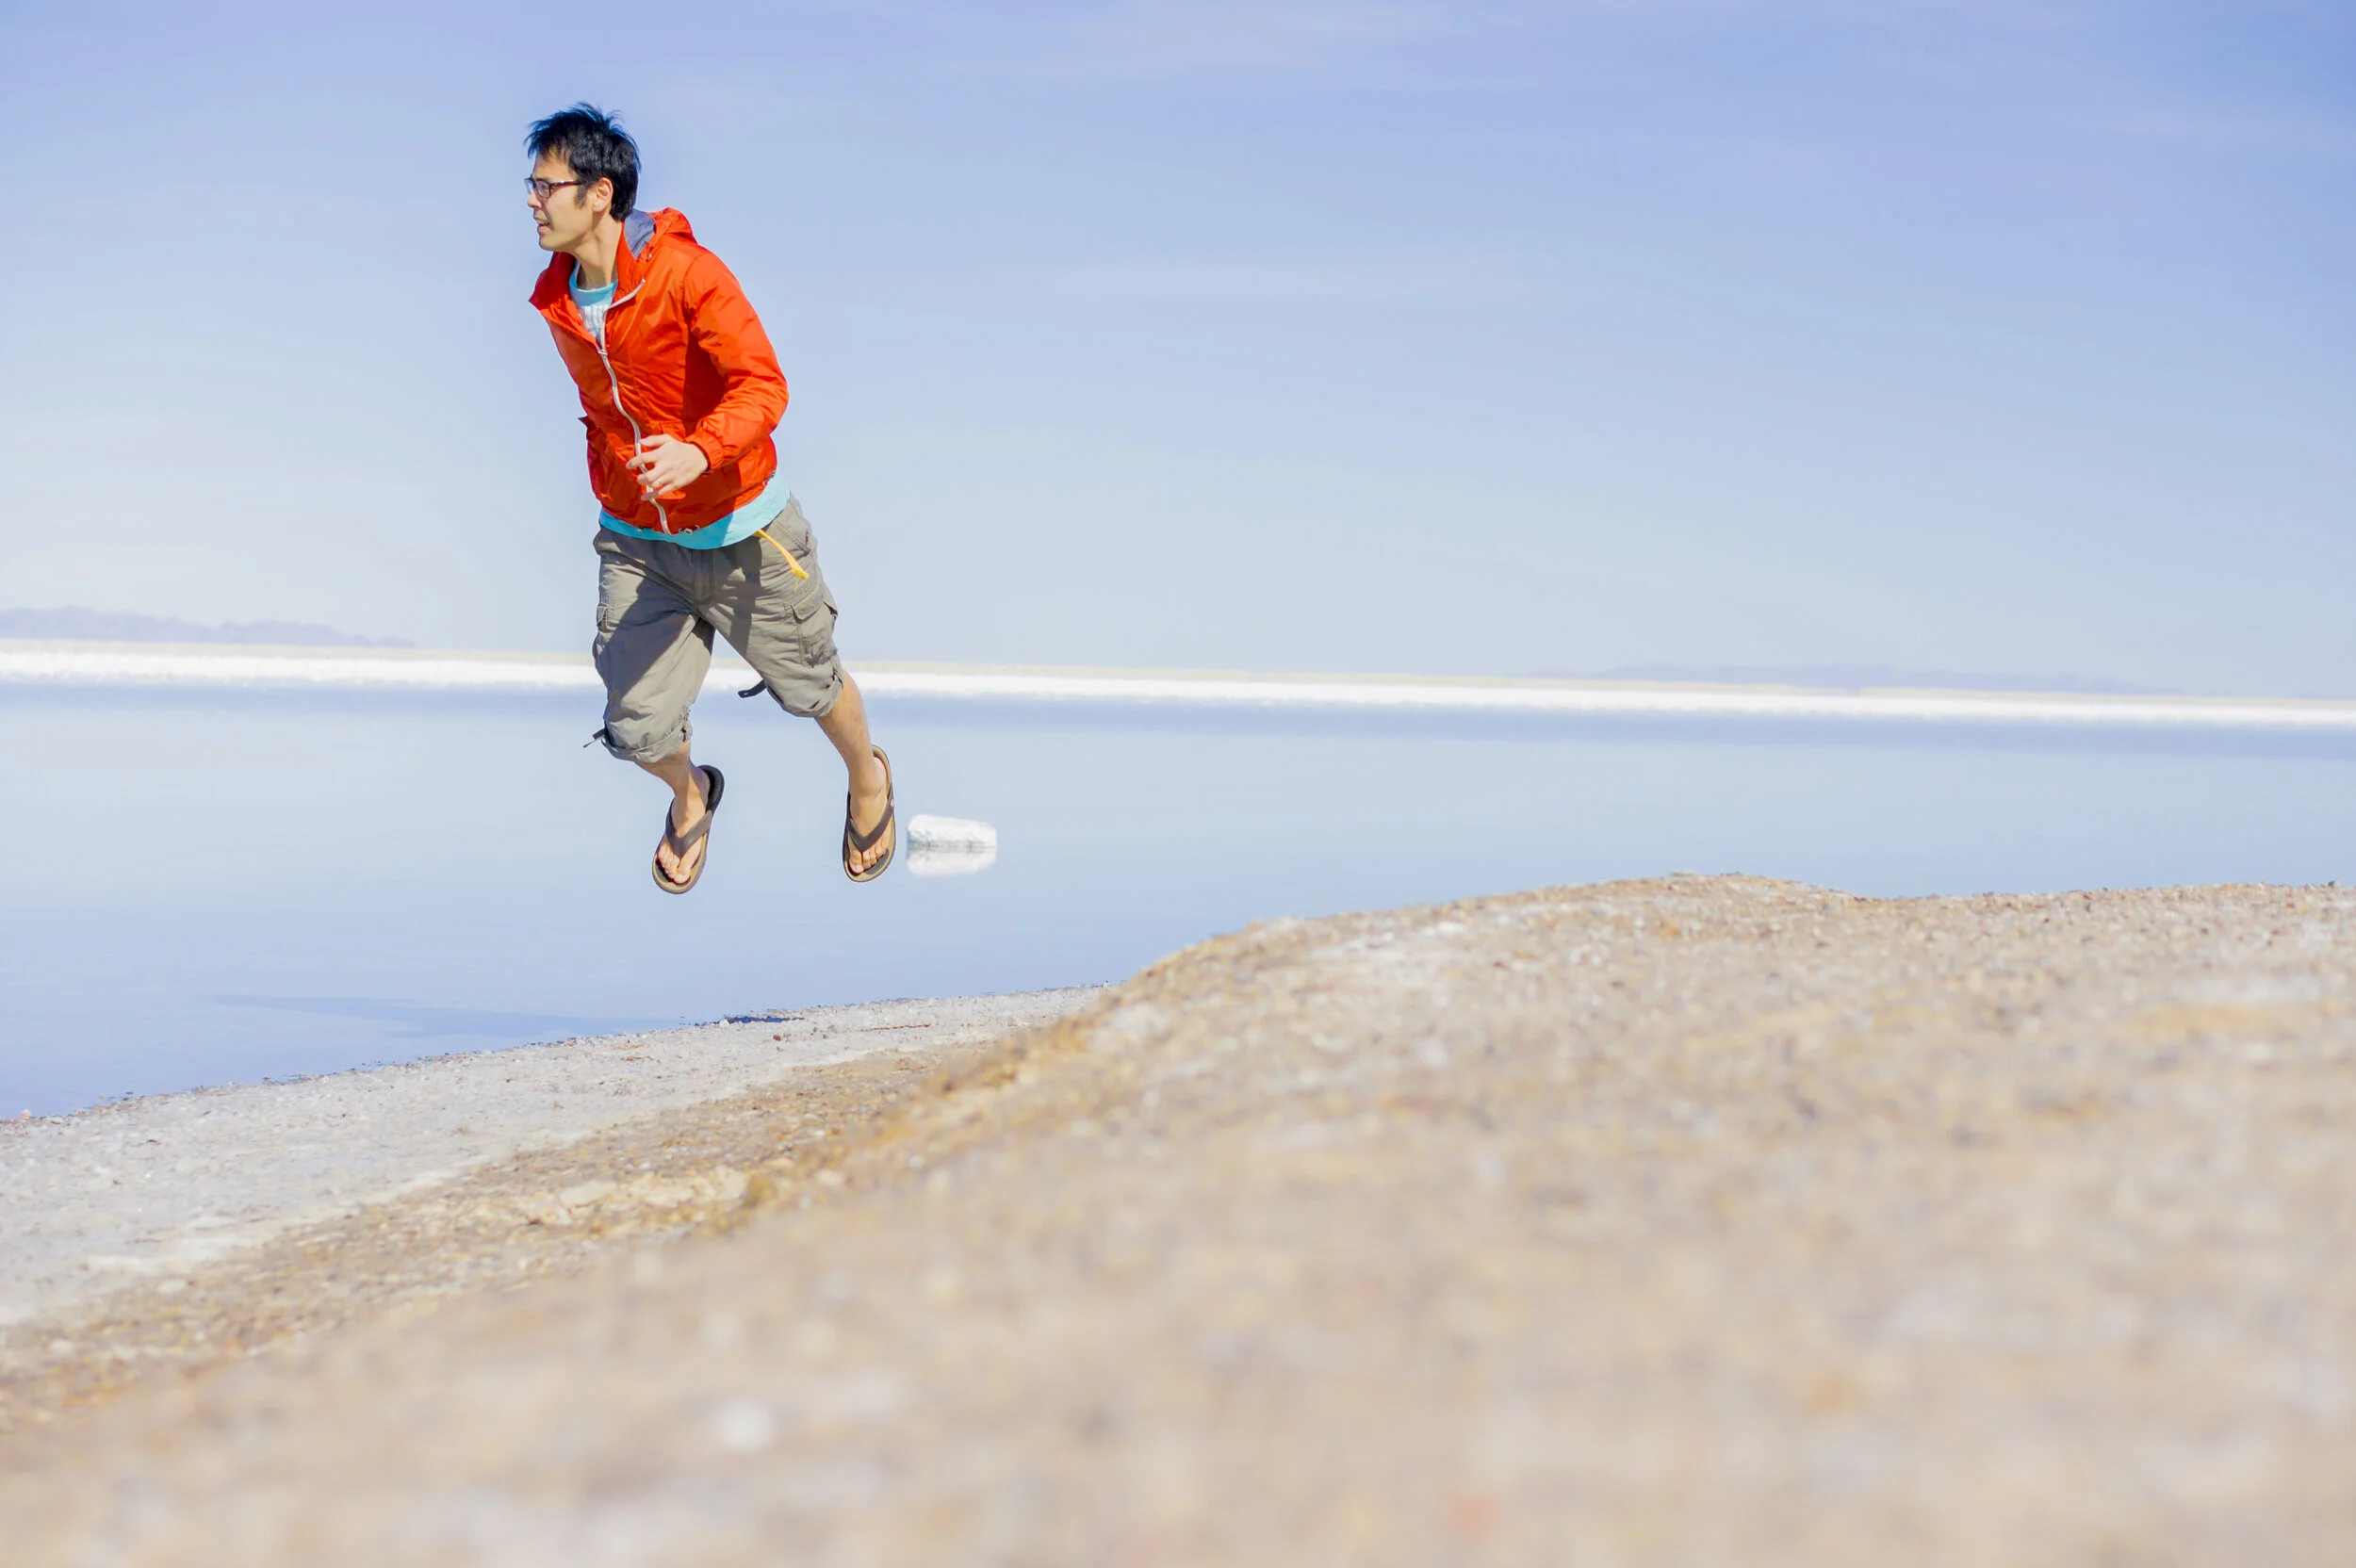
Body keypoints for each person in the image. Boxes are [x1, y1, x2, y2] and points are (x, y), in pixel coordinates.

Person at [524, 104, 893, 892]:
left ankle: (868, 777)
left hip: (744, 531)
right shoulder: (556, 300)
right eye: (533, 184)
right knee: (635, 727)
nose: (532, 200)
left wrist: (698, 451)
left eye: (545, 184)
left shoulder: (690, 275)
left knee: (812, 686)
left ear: (598, 194)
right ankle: (692, 793)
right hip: (638, 540)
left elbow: (764, 387)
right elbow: (604, 410)